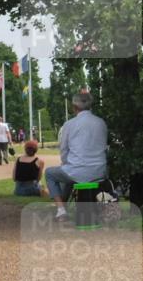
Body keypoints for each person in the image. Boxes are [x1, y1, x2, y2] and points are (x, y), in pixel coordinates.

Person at [46, 91, 108, 221]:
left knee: (50, 173)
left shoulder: (69, 124)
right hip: (100, 171)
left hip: (77, 171)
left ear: (74, 107)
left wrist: (65, 163)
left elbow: (63, 149)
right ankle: (65, 208)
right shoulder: (101, 122)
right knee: (70, 173)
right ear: (90, 105)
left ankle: (61, 211)